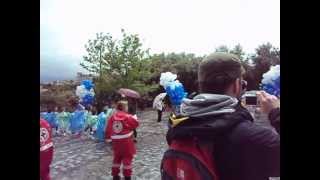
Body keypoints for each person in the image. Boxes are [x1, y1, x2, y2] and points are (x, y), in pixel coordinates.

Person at [165, 53, 280, 180]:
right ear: (237, 85)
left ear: (201, 85)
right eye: (243, 84)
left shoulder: (177, 127)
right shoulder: (256, 138)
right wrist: (275, 112)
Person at [105, 101, 139, 180]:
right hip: (126, 141)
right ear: (124, 108)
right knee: (127, 158)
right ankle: (127, 176)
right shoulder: (128, 116)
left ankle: (115, 175)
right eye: (126, 106)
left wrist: (108, 139)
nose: (127, 108)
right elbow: (136, 124)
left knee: (117, 157)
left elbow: (108, 129)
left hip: (116, 142)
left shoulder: (112, 117)